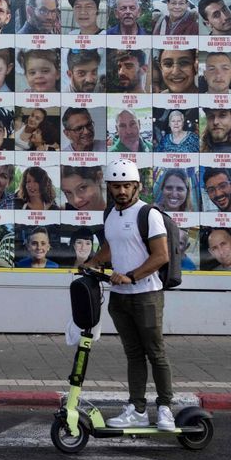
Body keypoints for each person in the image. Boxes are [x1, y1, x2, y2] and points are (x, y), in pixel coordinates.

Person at [82, 158, 175, 432]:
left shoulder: (149, 214)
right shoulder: (110, 215)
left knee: (155, 353)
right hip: (119, 296)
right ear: (108, 188)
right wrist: (90, 263)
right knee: (133, 354)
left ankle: (166, 409)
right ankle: (136, 409)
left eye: (126, 185)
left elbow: (161, 256)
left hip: (146, 295)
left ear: (137, 186)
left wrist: (132, 276)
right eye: (116, 186)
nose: (121, 191)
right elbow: (111, 248)